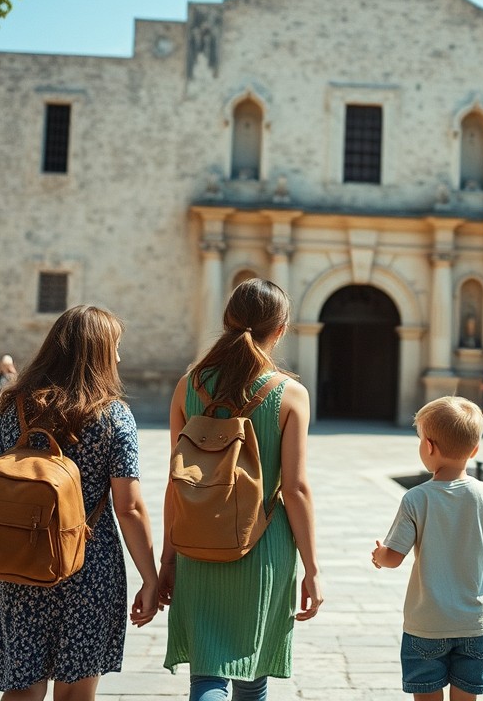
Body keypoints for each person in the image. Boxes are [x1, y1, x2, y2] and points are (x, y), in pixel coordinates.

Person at [0, 305, 159, 700]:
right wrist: (150, 578)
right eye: (115, 347)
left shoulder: (13, 407)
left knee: (21, 690)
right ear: (99, 353)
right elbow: (129, 507)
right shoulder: (113, 416)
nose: (119, 357)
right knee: (74, 695)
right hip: (89, 565)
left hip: (20, 560)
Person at [158, 278, 323, 701]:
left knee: (208, 675)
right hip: (262, 543)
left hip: (196, 542)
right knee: (253, 676)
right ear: (281, 329)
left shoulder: (187, 386)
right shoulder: (290, 394)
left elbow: (176, 481)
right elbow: (297, 488)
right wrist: (312, 569)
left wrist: (167, 560)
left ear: (227, 321)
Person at [372, 396, 483, 701]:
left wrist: (379, 555)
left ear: (428, 447)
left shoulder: (416, 499)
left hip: (427, 623)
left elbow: (393, 558)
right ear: (475, 450)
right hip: (478, 623)